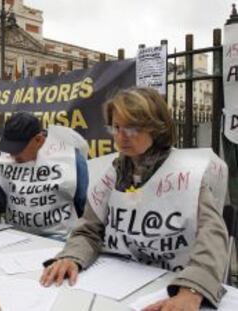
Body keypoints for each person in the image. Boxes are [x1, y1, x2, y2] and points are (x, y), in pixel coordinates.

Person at [40, 87, 229, 311]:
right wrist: (72, 256)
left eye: (132, 127)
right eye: (117, 127)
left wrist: (194, 287)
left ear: (156, 127)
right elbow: (89, 229)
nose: (121, 137)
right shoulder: (113, 173)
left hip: (172, 283)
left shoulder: (184, 173)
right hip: (116, 285)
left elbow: (213, 236)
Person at [0, 111, 89, 241]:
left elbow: (82, 203)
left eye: (18, 149)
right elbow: (5, 190)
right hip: (17, 236)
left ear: (38, 140)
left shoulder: (70, 159)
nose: (12, 155)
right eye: (10, 149)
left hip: (58, 238)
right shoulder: (10, 157)